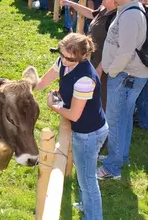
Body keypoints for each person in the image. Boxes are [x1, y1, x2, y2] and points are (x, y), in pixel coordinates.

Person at [36, 33, 107, 220]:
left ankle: (93, 217)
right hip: (85, 129)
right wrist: (22, 86)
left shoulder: (85, 79)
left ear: (82, 56)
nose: (63, 59)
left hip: (89, 133)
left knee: (87, 180)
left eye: (69, 58)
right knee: (84, 175)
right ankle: (86, 207)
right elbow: (42, 82)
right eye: (61, 54)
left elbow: (74, 115)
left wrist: (54, 106)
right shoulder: (63, 62)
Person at [98, 0, 148, 180]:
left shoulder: (130, 15)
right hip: (127, 74)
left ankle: (112, 168)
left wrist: (112, 71)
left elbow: (126, 50)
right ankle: (120, 156)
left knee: (115, 120)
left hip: (124, 75)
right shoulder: (128, 10)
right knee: (124, 119)